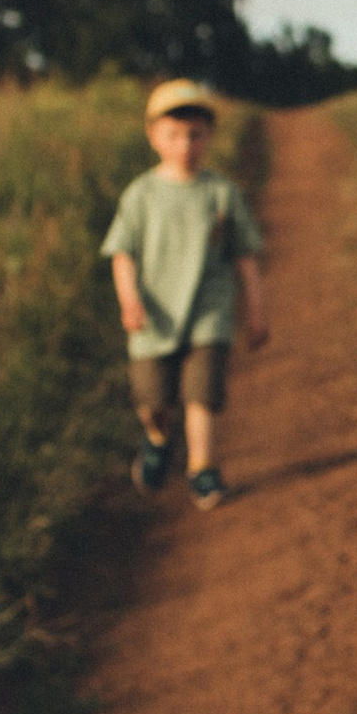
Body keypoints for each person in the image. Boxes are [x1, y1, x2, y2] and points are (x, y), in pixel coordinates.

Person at [103, 78, 268, 510]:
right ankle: (157, 441)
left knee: (202, 394)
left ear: (209, 136)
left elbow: (246, 258)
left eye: (195, 134)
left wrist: (257, 312)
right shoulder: (141, 195)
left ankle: (202, 468)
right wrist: (129, 300)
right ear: (154, 136)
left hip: (207, 312)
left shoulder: (221, 194)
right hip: (154, 315)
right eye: (173, 134)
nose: (185, 144)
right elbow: (122, 254)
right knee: (154, 401)